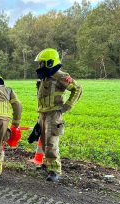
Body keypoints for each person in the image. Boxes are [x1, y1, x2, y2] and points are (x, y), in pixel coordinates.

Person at [34, 48, 82, 182]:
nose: (40, 66)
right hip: (43, 113)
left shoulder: (60, 75)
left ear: (49, 63)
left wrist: (68, 105)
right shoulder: (46, 76)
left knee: (51, 142)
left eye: (41, 63)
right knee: (43, 140)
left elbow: (77, 89)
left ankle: (55, 170)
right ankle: (47, 164)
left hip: (54, 113)